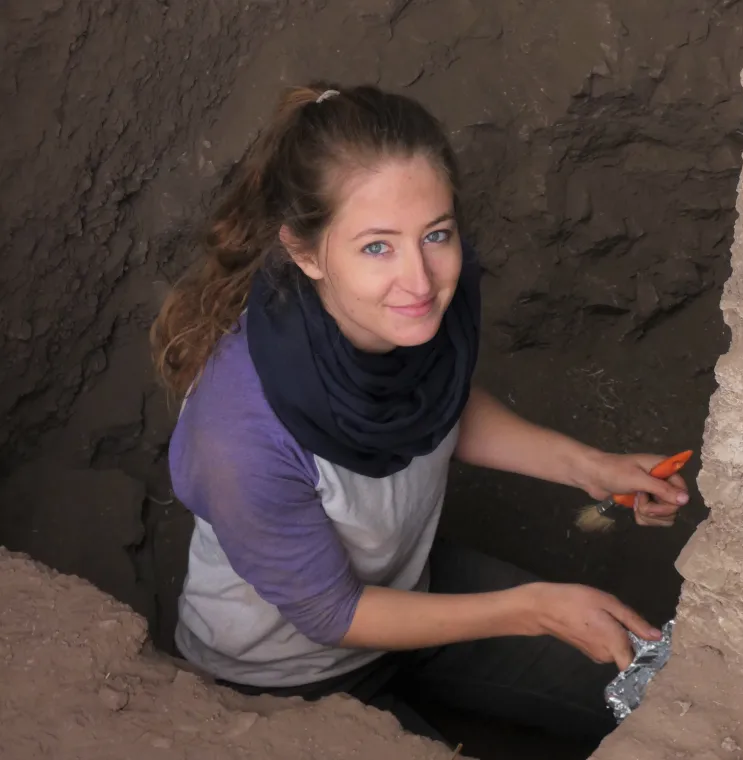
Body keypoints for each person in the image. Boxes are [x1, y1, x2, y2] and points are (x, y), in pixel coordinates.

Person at [149, 82, 690, 745]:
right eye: (377, 246)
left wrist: (588, 467)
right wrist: (535, 611)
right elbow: (331, 612)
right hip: (286, 674)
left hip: (414, 579)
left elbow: (440, 405)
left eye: (436, 234)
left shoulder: (419, 319)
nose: (421, 278)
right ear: (306, 251)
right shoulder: (239, 431)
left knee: (671, 698)